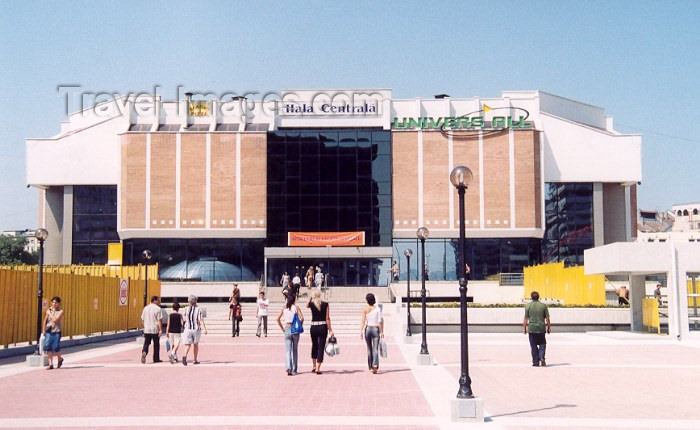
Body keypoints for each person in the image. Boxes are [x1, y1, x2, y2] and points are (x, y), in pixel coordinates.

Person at [307, 289, 334, 374]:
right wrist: (330, 330)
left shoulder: (311, 304)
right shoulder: (325, 304)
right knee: (321, 346)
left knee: (314, 345)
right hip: (323, 326)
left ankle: (314, 366)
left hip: (314, 326)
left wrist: (310, 298)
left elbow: (306, 305)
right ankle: (318, 367)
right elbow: (327, 318)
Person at [276, 295, 304, 376]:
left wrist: (282, 328)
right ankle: (294, 369)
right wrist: (299, 326)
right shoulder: (296, 308)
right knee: (295, 350)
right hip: (295, 329)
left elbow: (277, 318)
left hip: (287, 328)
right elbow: (302, 318)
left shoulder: (284, 308)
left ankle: (288, 367)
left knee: (288, 350)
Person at [523, 291, 551, 367]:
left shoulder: (528, 306)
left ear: (531, 297)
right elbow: (547, 318)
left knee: (533, 345)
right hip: (541, 328)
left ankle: (535, 362)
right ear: (538, 297)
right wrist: (548, 327)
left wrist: (524, 328)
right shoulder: (543, 306)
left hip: (532, 328)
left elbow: (525, 318)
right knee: (542, 343)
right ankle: (541, 357)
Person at [360, 293, 384, 374]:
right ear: (374, 300)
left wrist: (360, 331)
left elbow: (363, 321)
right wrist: (382, 332)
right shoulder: (377, 309)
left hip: (368, 329)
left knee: (369, 349)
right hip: (375, 329)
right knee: (375, 349)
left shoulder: (365, 309)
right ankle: (375, 365)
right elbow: (379, 321)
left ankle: (370, 366)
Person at [182, 295, 208, 366]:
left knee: (187, 345)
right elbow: (200, 320)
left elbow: (184, 319)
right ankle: (195, 359)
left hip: (187, 328)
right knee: (195, 344)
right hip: (196, 329)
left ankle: (184, 355)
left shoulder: (186, 309)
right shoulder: (198, 309)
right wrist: (204, 329)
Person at [42, 296, 64, 370]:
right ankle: (51, 364)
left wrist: (49, 314)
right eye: (53, 302)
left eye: (56, 302)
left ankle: (60, 359)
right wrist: (44, 330)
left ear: (59, 303)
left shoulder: (61, 311)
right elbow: (45, 320)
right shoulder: (49, 310)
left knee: (55, 346)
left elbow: (56, 320)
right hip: (49, 330)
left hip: (57, 330)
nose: (54, 304)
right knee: (48, 346)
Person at [141, 295, 163, 364]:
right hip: (154, 329)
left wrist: (144, 326)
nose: (159, 302)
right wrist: (160, 330)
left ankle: (144, 351)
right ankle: (156, 358)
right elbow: (159, 320)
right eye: (158, 300)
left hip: (147, 329)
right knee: (156, 344)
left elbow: (142, 319)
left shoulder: (145, 308)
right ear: (155, 300)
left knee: (146, 343)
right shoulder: (158, 309)